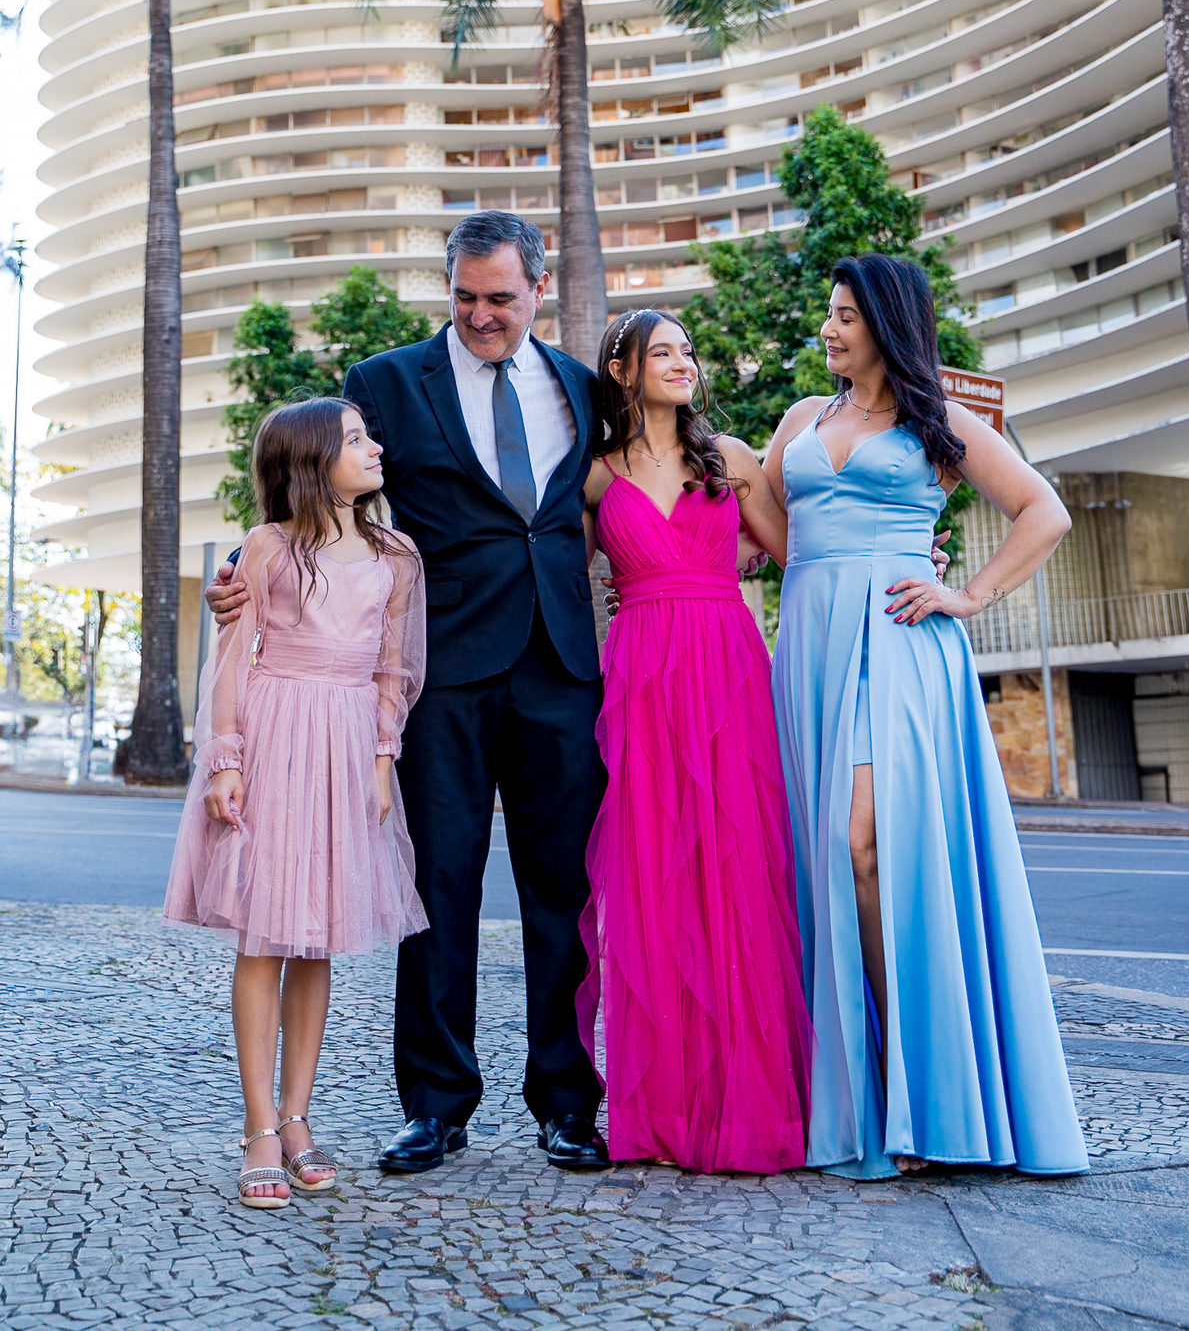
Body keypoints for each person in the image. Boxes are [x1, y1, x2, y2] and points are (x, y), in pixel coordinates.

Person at [205, 212, 609, 1173]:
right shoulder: (385, 382)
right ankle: (436, 1103)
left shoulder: (583, 386)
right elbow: (310, 491)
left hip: (561, 664)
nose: (480, 315)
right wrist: (240, 568)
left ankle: (567, 1103)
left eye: (500, 298)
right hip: (439, 668)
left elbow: (639, 484)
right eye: (464, 297)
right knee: (439, 887)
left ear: (538, 288)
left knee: (565, 887)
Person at [765, 253, 1088, 1180]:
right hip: (812, 650)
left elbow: (1043, 511)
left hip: (902, 646)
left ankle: (916, 1083)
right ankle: (861, 1088)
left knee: (865, 845)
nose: (829, 329)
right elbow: (768, 522)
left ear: (886, 324)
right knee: (823, 856)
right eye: (829, 314)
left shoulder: (937, 419)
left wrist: (968, 594)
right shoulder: (801, 419)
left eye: (845, 316)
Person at [165, 397, 427, 1209]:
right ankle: (257, 1127)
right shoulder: (268, 548)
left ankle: (297, 1116)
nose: (374, 447)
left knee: (318, 938)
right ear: (313, 461)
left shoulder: (396, 554)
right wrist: (226, 761)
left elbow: (391, 671)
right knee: (265, 937)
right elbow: (232, 661)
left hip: (347, 745)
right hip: (276, 735)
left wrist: (381, 763)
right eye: (355, 439)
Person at [579, 308, 812, 1172]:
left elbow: (800, 555)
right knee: (654, 877)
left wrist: (910, 557)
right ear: (621, 370)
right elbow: (558, 577)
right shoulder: (595, 477)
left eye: (688, 350)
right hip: (639, 680)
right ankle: (665, 1111)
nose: (684, 362)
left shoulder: (733, 460)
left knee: (737, 868)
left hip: (727, 669)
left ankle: (751, 1108)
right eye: (663, 352)